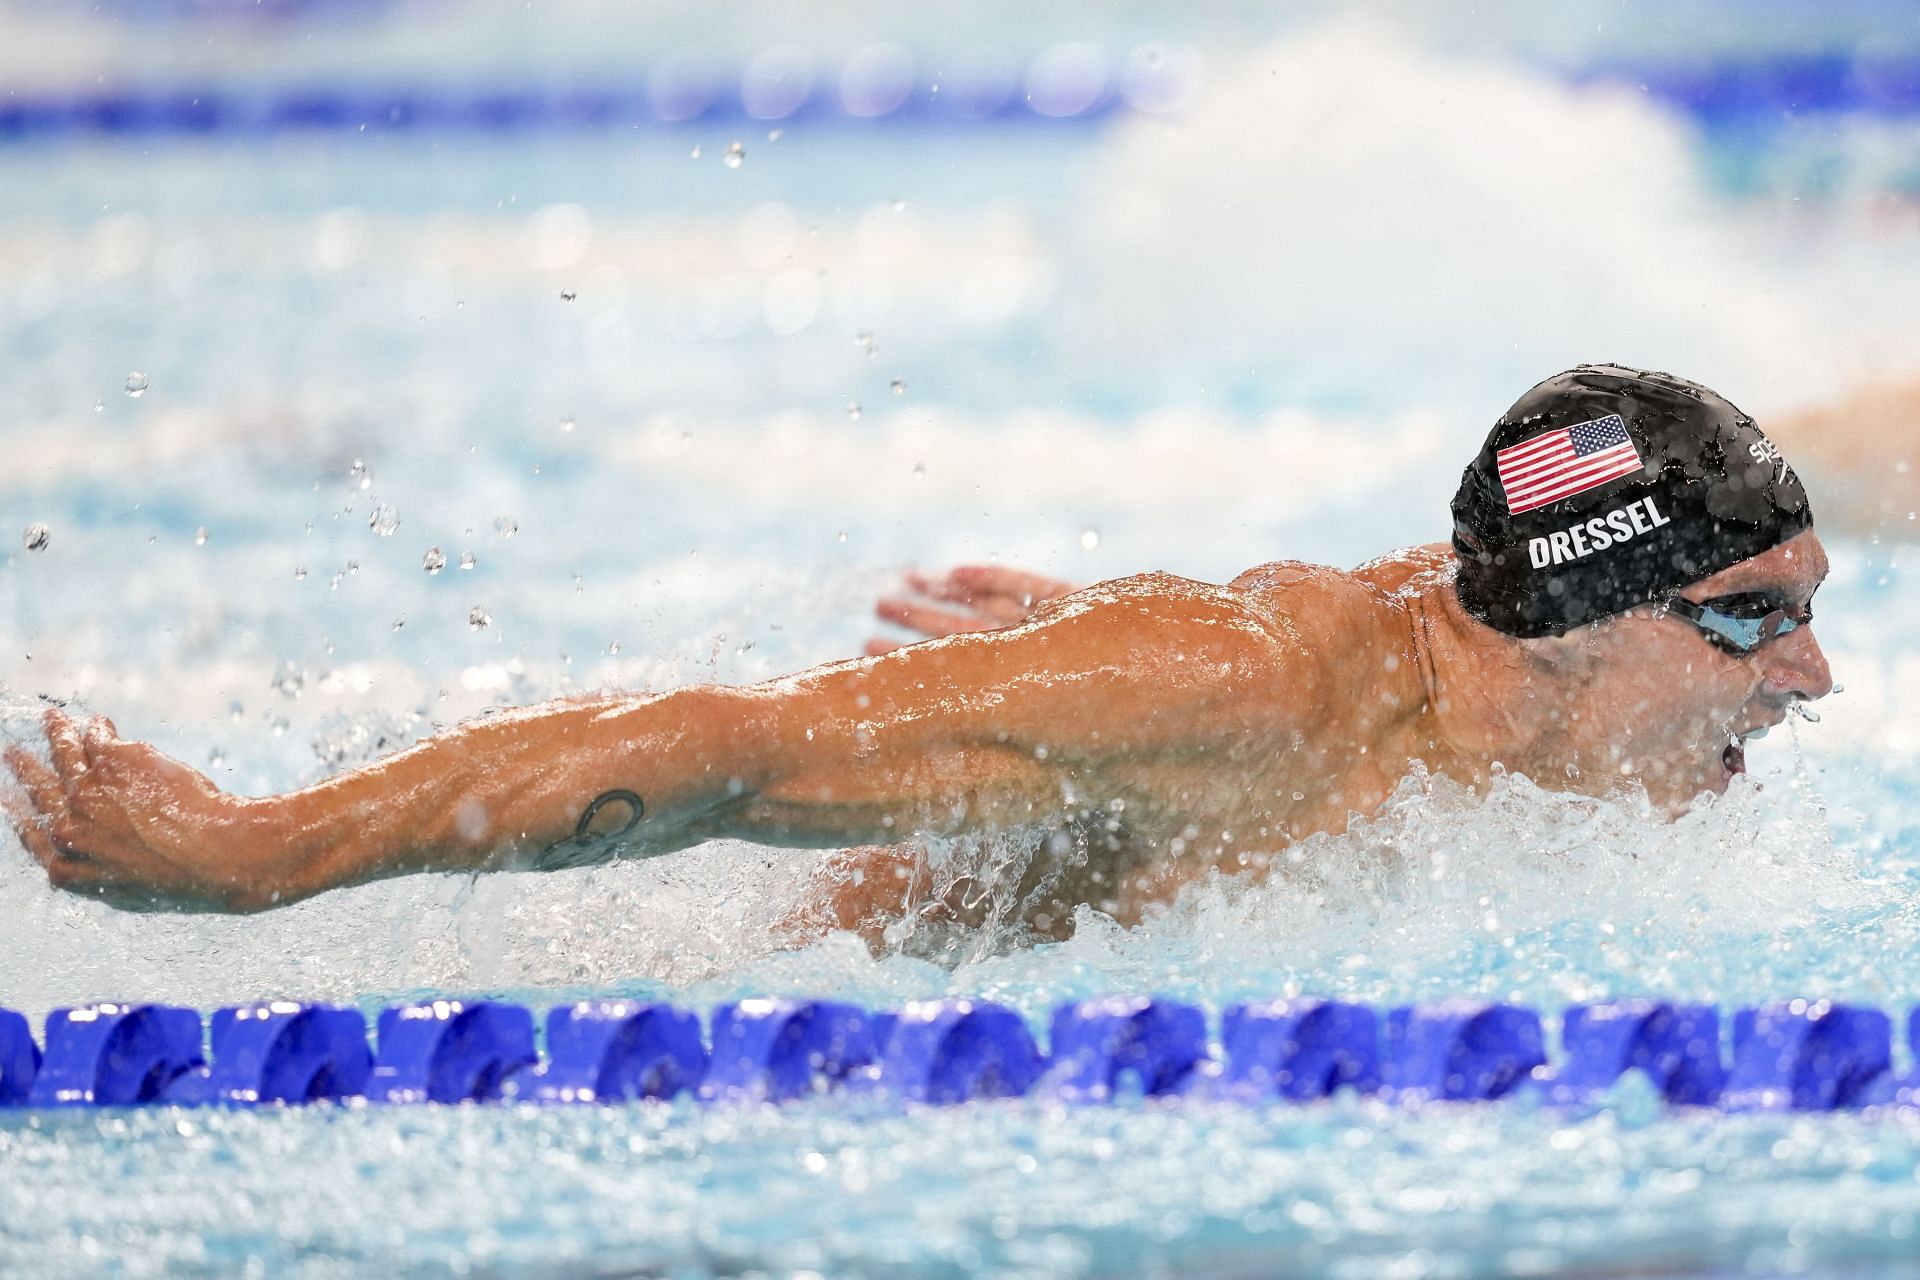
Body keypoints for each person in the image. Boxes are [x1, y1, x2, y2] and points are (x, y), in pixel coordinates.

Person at [2, 365, 1831, 937]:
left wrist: (1096, 671)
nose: (1808, 680)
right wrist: (255, 852)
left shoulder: (1520, 678)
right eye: (1755, 620)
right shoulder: (1256, 691)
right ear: (1582, 620)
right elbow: (725, 746)